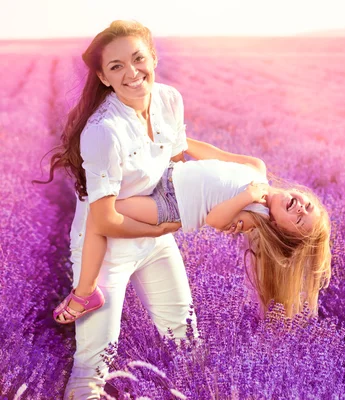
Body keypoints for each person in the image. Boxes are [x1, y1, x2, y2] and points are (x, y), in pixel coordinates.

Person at [36, 20, 193, 399]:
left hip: (154, 239)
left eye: (138, 59)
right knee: (93, 365)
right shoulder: (103, 131)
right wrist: (161, 227)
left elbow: (176, 166)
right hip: (106, 249)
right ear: (104, 78)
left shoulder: (169, 99)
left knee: (187, 344)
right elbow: (104, 220)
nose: (132, 72)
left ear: (153, 58)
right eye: (116, 67)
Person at [52, 146, 332, 324]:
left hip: (171, 207)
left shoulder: (255, 216)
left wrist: (247, 196)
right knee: (106, 178)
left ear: (281, 231)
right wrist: (181, 141)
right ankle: (76, 154)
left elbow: (215, 219)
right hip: (168, 173)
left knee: (104, 208)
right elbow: (214, 155)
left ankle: (86, 293)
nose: (299, 209)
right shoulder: (257, 167)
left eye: (297, 221)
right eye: (307, 206)